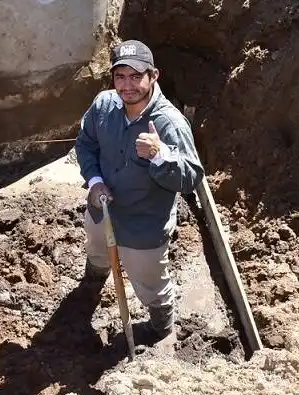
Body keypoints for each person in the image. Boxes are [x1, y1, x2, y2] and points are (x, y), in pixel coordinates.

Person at [74, 39, 205, 344]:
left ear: (153, 76)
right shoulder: (104, 106)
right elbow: (86, 144)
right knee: (96, 250)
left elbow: (191, 178)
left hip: (143, 223)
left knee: (150, 283)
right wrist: (94, 182)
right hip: (102, 208)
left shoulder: (169, 123)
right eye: (120, 76)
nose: (127, 85)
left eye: (136, 76)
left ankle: (161, 328)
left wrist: (161, 155)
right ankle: (92, 285)